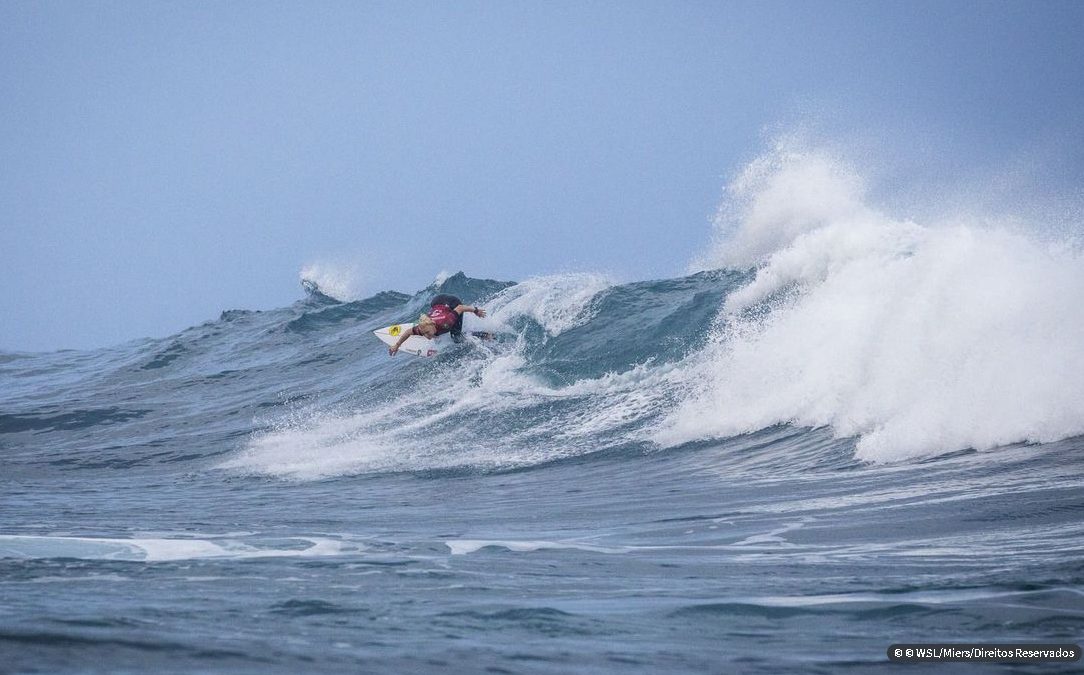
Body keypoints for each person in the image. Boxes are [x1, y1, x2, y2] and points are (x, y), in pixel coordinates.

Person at [388, 294, 488, 356]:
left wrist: (476, 310)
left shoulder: (446, 323)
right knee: (436, 334)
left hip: (453, 302)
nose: (426, 336)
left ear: (433, 325)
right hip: (436, 301)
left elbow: (460, 308)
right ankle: (437, 333)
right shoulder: (423, 327)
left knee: (456, 337)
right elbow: (408, 332)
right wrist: (397, 345)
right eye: (424, 334)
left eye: (427, 333)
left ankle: (486, 335)